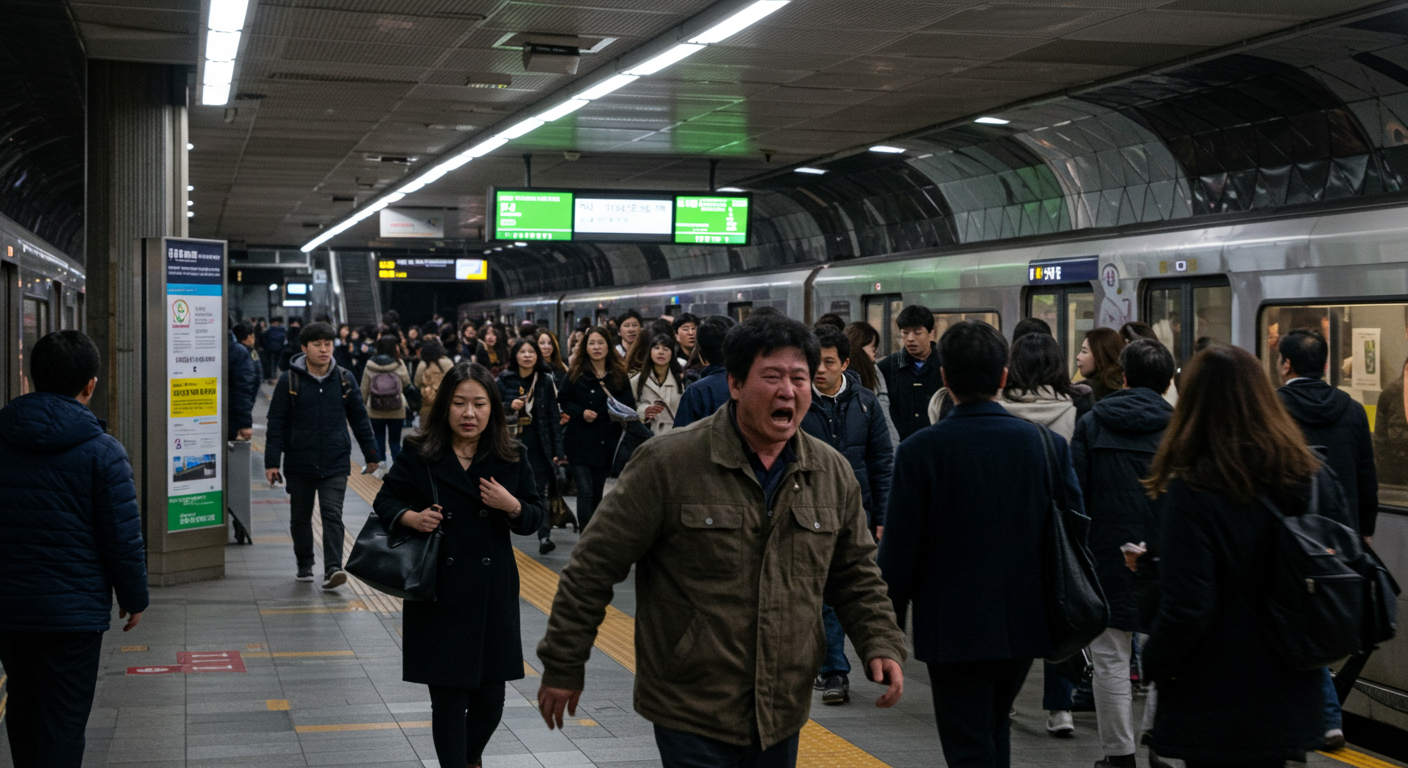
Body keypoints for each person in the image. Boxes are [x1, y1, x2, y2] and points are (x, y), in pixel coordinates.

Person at [536, 312, 907, 768]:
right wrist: (564, 664)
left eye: (800, 378)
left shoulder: (830, 474)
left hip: (782, 705)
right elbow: (593, 568)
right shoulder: (668, 463)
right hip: (690, 702)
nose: (788, 390)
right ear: (734, 383)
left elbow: (855, 574)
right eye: (771, 377)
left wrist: (881, 641)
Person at [879, 319, 1083, 768]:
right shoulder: (1048, 446)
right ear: (1004, 377)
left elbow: (899, 553)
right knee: (994, 729)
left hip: (951, 627)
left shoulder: (920, 452)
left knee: (968, 740)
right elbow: (1073, 527)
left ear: (945, 378)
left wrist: (885, 634)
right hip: (1028, 619)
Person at [1140, 345, 1333, 767]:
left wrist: (1153, 660)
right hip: (1291, 679)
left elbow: (1189, 606)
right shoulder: (1310, 475)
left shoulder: (1193, 491)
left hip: (1217, 692)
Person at [373, 362, 543, 768]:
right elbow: (385, 500)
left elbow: (535, 517)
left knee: (491, 698)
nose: (470, 414)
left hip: (492, 591)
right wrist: (411, 518)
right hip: (437, 589)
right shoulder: (421, 451)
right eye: (460, 403)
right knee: (448, 700)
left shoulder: (511, 455)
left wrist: (513, 505)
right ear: (444, 406)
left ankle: (469, 759)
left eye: (479, 404)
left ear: (493, 408)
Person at [0, 331, 149, 768]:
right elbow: (121, 535)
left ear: (28, 376)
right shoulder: (103, 452)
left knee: (23, 705)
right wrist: (134, 597)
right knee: (64, 720)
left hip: (9, 607)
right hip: (74, 614)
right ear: (90, 385)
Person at [1070, 338, 1176, 768]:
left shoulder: (1093, 423)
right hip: (1166, 557)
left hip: (1106, 555)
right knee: (1163, 651)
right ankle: (1159, 744)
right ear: (1168, 381)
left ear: (1125, 377)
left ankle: (1119, 755)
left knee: (1110, 657)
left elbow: (1076, 496)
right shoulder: (1182, 427)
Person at [1274, 328, 1378, 751]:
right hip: (1340, 538)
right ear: (1327, 365)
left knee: (1291, 627)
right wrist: (1363, 532)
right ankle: (1321, 719)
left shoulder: (1274, 409)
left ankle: (1318, 719)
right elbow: (1367, 476)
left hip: (1290, 539)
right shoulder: (1352, 411)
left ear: (1285, 365)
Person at [800, 326, 894, 706]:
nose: (819, 370)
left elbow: (881, 463)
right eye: (815, 362)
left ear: (846, 363)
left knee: (850, 588)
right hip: (808, 512)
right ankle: (835, 669)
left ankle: (841, 664)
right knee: (822, 594)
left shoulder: (866, 403)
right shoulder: (799, 401)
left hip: (858, 512)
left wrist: (883, 514)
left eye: (828, 362)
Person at [265, 321, 380, 589]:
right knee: (300, 517)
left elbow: (360, 418)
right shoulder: (289, 380)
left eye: (328, 344)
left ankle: (332, 569)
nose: (324, 349)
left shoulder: (344, 378)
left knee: (331, 514)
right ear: (304, 347)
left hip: (335, 459)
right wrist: (272, 462)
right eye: (317, 344)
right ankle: (304, 563)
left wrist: (371, 454)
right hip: (299, 460)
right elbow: (276, 423)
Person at [558, 326, 634, 530]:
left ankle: (593, 535)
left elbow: (628, 404)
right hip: (579, 441)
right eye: (591, 343)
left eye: (601, 342)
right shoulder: (576, 373)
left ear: (608, 346)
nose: (596, 347)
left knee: (598, 491)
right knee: (585, 490)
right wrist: (580, 412)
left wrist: (612, 414)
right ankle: (585, 536)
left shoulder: (618, 374)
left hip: (606, 441)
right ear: (585, 347)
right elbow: (563, 399)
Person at [499, 338, 566, 555]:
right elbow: (489, 408)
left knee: (540, 492)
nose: (527, 355)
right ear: (514, 356)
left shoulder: (545, 380)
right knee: (507, 490)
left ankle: (544, 535)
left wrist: (558, 451)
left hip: (538, 444)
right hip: (509, 444)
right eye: (522, 352)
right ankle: (502, 532)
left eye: (531, 352)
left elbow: (553, 418)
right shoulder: (504, 380)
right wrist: (509, 405)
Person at [877, 304, 943, 441]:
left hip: (938, 444)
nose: (910, 339)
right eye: (905, 333)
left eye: (917, 333)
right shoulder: (887, 368)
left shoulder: (947, 365)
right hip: (901, 445)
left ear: (932, 333)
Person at [672, 315, 736, 428]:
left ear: (701, 350)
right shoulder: (753, 382)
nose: (690, 333)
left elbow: (680, 438)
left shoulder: (696, 392)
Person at [844, 321, 901, 446]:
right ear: (860, 345)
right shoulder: (873, 372)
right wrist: (894, 446)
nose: (876, 351)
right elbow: (884, 413)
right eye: (872, 347)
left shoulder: (839, 370)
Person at [362, 335, 412, 468]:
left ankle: (381, 462)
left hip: (375, 409)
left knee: (378, 437)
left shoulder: (370, 365)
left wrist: (361, 407)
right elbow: (407, 383)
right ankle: (397, 466)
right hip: (396, 409)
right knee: (395, 441)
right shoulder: (399, 364)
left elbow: (364, 389)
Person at [631, 333, 684, 435]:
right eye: (656, 348)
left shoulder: (681, 380)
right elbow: (629, 408)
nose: (661, 352)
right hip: (647, 435)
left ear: (672, 353)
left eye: (665, 349)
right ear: (650, 351)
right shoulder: (637, 380)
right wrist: (643, 411)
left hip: (674, 436)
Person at [228, 323, 260, 441]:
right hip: (234, 414)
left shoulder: (237, 351)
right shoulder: (242, 353)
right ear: (250, 337)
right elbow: (244, 387)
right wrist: (244, 422)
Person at [1077, 327, 1125, 401]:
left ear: (1100, 355)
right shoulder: (1128, 385)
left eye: (1084, 351)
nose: (1078, 357)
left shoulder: (1086, 393)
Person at [417, 338, 454, 428]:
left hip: (428, 402)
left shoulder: (423, 365)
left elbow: (417, 382)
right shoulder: (447, 363)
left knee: (428, 431)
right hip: (446, 400)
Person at [263, 317, 287, 381]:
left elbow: (265, 340)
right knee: (276, 362)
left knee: (272, 362)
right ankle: (275, 375)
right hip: (279, 348)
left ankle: (272, 375)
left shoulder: (269, 331)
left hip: (271, 349)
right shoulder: (282, 330)